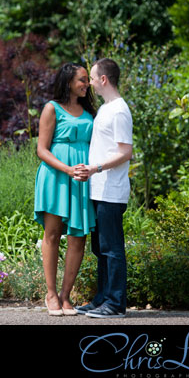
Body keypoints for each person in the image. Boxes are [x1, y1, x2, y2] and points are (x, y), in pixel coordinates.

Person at [33, 62, 96, 316]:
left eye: (87, 80)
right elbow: (41, 149)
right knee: (52, 233)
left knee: (78, 237)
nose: (86, 84)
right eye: (82, 80)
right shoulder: (52, 108)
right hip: (56, 176)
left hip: (82, 178)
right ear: (68, 81)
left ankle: (66, 295)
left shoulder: (89, 110)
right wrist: (68, 169)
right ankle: (50, 294)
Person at [73, 58, 133, 319]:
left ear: (104, 79)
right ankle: (102, 300)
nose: (91, 83)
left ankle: (116, 304)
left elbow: (125, 152)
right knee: (100, 249)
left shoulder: (119, 110)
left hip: (112, 191)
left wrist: (95, 168)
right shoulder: (107, 108)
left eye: (93, 78)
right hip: (98, 190)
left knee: (112, 249)